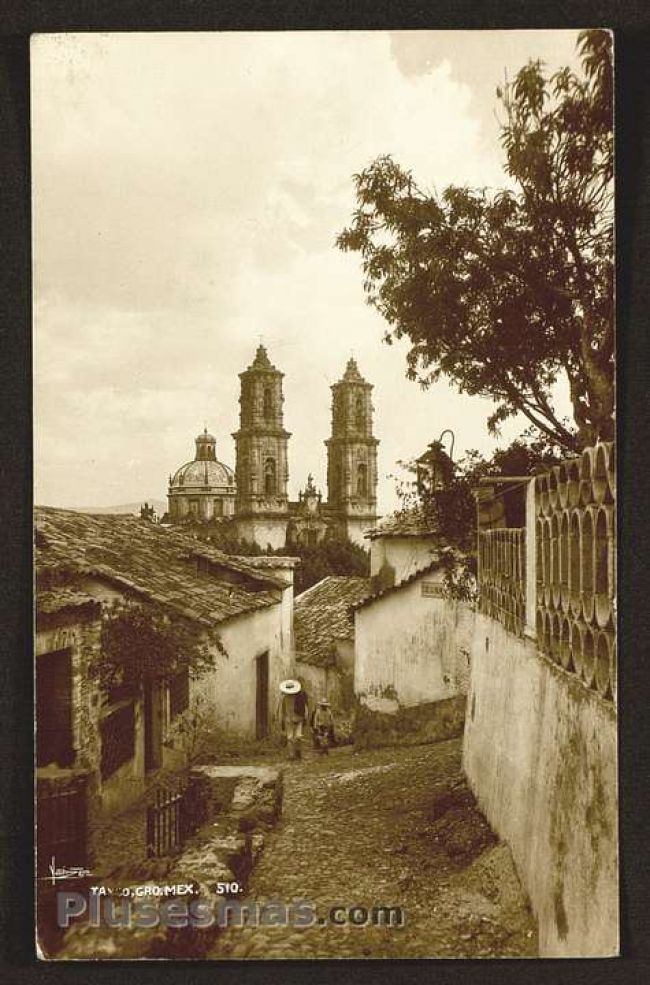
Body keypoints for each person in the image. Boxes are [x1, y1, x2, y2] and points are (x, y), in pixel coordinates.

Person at [277, 679, 309, 760]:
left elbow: (305, 709)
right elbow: (282, 710)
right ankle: (293, 755)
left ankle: (296, 754)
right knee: (293, 737)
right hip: (291, 720)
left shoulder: (297, 698)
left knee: (295, 737)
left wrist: (304, 718)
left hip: (295, 719)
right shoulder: (285, 699)